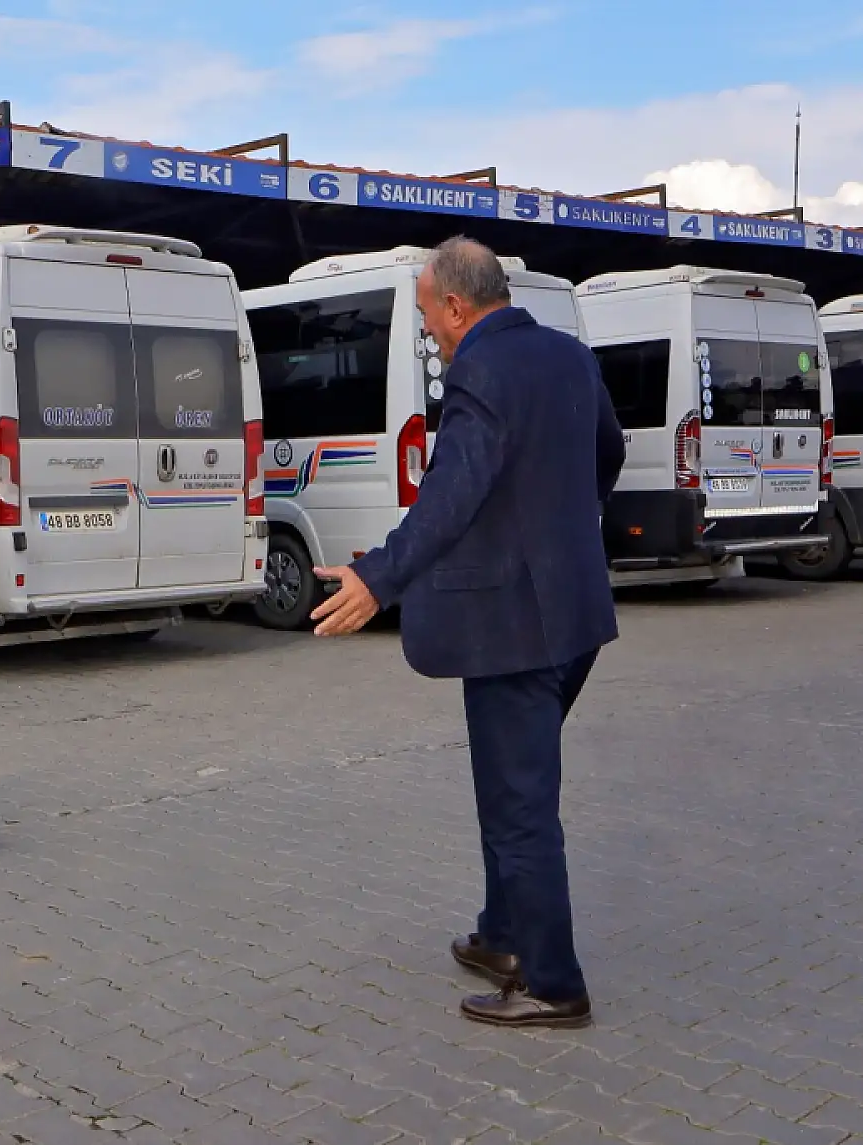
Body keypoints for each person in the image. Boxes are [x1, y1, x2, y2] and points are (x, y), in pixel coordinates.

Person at [311, 237, 624, 1029]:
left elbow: (451, 492)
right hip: (576, 613)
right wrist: (557, 523)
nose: (429, 332)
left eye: (427, 316)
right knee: (511, 782)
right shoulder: (569, 355)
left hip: (515, 622)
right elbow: (608, 453)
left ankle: (553, 982)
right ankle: (503, 935)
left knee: (520, 806)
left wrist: (378, 577)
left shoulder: (479, 370)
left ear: (456, 307)